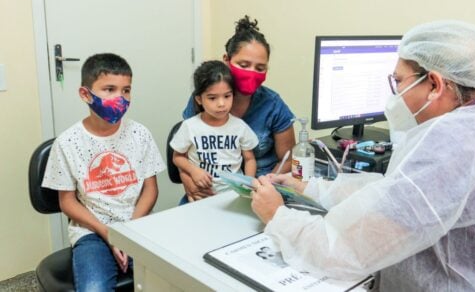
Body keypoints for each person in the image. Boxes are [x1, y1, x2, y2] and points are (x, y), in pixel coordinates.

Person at [250, 20, 475, 291]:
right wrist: (311, 188)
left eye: (398, 81)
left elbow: (343, 251)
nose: (395, 94)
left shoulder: (453, 142)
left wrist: (277, 215)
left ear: (435, 85)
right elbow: (396, 194)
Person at [42, 53, 165, 291]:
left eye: (126, 90)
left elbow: (151, 189)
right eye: (109, 89)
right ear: (85, 94)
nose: (120, 97)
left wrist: (130, 232)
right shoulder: (67, 142)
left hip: (137, 224)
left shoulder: (140, 134)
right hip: (92, 232)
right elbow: (66, 202)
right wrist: (108, 233)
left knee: (172, 281)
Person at [181, 15, 295, 197]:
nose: (251, 73)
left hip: (260, 191)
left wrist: (261, 186)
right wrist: (189, 183)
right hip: (207, 191)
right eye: (243, 64)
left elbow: (288, 160)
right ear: (226, 59)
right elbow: (183, 150)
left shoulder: (273, 105)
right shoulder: (204, 97)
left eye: (260, 68)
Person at [171, 60, 258, 202]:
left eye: (227, 96)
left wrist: (248, 182)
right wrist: (194, 171)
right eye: (212, 98)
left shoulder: (240, 126)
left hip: (234, 195)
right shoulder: (190, 126)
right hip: (202, 195)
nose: (221, 104)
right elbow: (177, 157)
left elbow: (250, 159)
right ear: (199, 99)